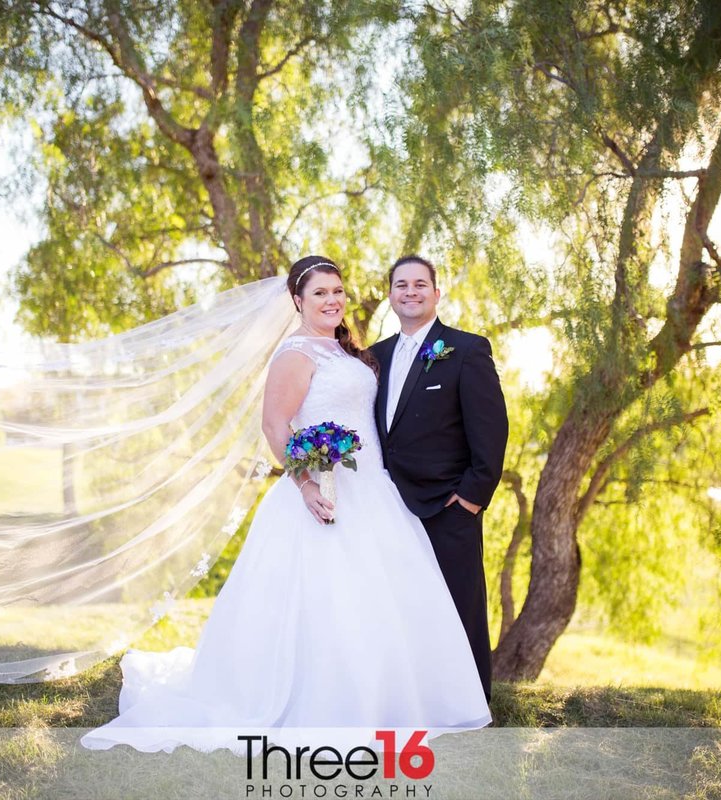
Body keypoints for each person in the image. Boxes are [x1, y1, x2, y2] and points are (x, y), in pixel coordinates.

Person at [80, 255, 490, 753]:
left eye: (337, 291)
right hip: (322, 495)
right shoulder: (295, 354)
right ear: (297, 301)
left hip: (376, 493)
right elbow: (276, 426)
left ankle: (391, 701)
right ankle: (321, 703)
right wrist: (307, 485)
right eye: (319, 293)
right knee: (326, 602)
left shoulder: (350, 353)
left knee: (381, 603)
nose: (332, 300)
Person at [369, 255, 508, 702]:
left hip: (448, 506)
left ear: (436, 292)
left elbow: (491, 430)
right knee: (402, 610)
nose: (410, 292)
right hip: (388, 507)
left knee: (459, 608)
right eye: (401, 285)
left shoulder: (466, 350)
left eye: (420, 284)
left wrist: (470, 498)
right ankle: (415, 702)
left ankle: (470, 705)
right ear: (390, 294)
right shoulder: (377, 356)